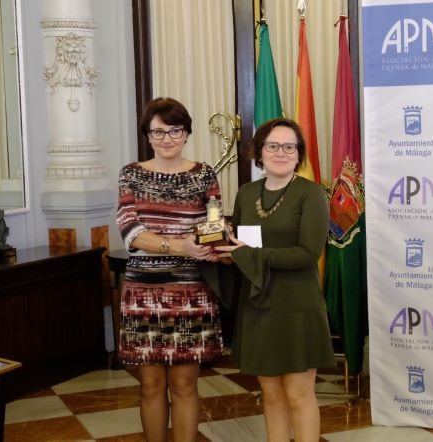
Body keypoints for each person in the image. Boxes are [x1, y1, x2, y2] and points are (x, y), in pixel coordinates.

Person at [214, 117, 335, 442]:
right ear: (259, 151)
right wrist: (223, 253)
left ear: (299, 154)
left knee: (299, 395)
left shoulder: (311, 195)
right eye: (273, 146)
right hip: (257, 304)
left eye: (289, 147)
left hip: (297, 306)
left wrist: (248, 256)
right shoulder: (246, 193)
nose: (280, 152)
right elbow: (240, 247)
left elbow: (308, 254)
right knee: (271, 396)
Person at [116, 97, 223, 442]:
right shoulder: (131, 173)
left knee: (184, 384)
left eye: (174, 130)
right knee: (150, 386)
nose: (167, 138)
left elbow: (214, 227)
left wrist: (208, 241)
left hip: (191, 292)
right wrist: (178, 245)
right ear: (147, 135)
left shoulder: (205, 173)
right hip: (142, 293)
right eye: (158, 132)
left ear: (187, 132)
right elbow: (130, 231)